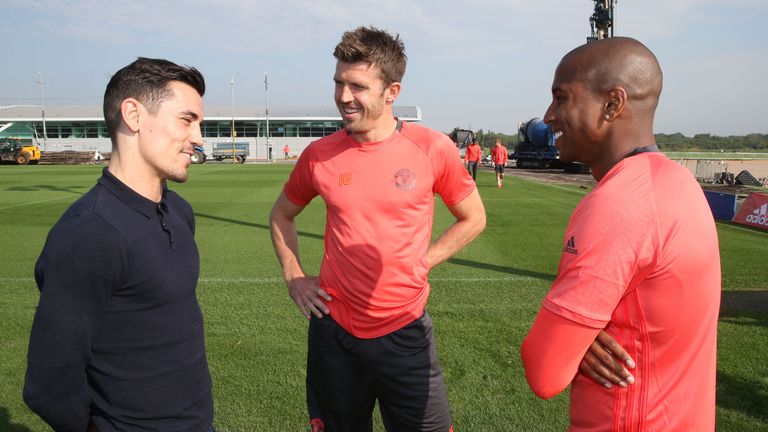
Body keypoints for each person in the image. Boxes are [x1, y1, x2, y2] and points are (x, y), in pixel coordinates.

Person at [269, 26, 486, 432]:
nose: (343, 96)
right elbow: (281, 214)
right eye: (338, 83)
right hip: (334, 335)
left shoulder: (432, 148)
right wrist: (294, 275)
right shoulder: (319, 155)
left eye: (357, 86)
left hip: (404, 331)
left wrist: (425, 261)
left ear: (392, 92)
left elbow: (474, 217)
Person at [520, 37, 720, 430]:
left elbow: (544, 371)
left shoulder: (618, 202)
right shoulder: (677, 180)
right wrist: (583, 335)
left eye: (561, 98)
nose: (549, 116)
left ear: (613, 104)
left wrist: (573, 340)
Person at [23, 58, 215, 432]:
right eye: (186, 119)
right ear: (134, 115)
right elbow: (49, 383)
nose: (198, 138)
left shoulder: (177, 211)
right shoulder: (89, 233)